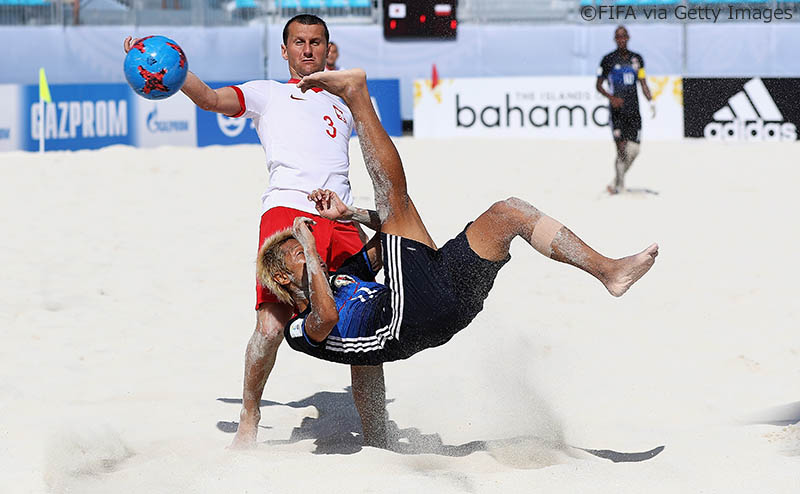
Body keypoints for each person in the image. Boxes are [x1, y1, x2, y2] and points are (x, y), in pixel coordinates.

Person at [256, 68, 659, 368]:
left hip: (452, 306)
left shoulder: (342, 274)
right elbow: (326, 316)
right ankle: (357, 96)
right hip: (405, 319)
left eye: (304, 250)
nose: (312, 255)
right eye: (296, 254)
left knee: (509, 212)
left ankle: (607, 271)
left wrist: (350, 213)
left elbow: (387, 234)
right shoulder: (299, 328)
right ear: (282, 278)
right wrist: (308, 247)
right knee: (398, 202)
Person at [123, 15, 388, 449]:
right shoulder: (268, 93)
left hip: (340, 221)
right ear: (284, 51)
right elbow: (209, 99)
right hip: (286, 214)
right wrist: (171, 69)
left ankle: (378, 429)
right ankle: (249, 414)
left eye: (316, 43)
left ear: (328, 49)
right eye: (298, 43)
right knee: (270, 327)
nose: (307, 50)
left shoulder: (346, 103)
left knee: (362, 330)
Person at [596, 26, 654, 195]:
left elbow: (642, 82)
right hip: (617, 112)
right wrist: (611, 98)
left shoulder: (637, 59)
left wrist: (651, 101)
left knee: (634, 150)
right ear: (615, 39)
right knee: (621, 149)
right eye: (618, 37)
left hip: (634, 110)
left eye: (624, 36)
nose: (621, 39)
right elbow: (598, 85)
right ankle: (620, 187)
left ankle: (615, 182)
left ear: (628, 38)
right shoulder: (608, 60)